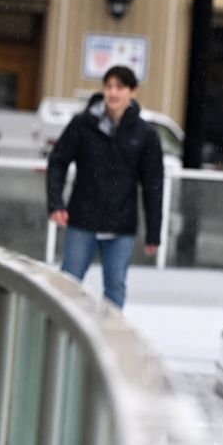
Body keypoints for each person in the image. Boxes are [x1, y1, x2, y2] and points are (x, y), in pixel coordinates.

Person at [46, 65, 164, 308]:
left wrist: (154, 231)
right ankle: (61, 339)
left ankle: (112, 342)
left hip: (120, 226)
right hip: (82, 220)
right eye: (109, 86)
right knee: (68, 284)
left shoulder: (145, 134)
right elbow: (57, 162)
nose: (113, 93)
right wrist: (55, 203)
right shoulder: (82, 124)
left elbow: (153, 185)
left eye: (119, 87)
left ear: (132, 92)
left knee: (115, 287)